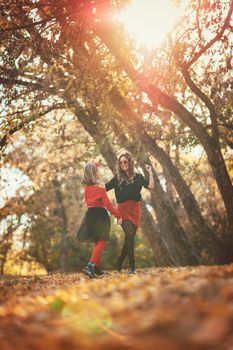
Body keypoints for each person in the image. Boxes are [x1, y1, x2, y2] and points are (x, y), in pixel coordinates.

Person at [105, 152, 154, 274]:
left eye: (125, 161)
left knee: (130, 237)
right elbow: (104, 187)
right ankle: (132, 266)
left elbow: (151, 186)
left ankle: (120, 261)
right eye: (120, 162)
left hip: (135, 209)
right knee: (130, 233)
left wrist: (150, 172)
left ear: (130, 162)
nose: (122, 164)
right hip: (122, 209)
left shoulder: (138, 177)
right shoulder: (117, 178)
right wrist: (90, 186)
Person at [77, 163, 122, 278]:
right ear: (94, 174)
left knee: (98, 242)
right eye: (97, 171)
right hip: (101, 216)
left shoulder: (86, 189)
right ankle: (90, 266)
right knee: (101, 241)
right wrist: (118, 215)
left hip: (90, 215)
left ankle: (96, 268)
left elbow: (87, 200)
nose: (99, 173)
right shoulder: (100, 190)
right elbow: (108, 205)